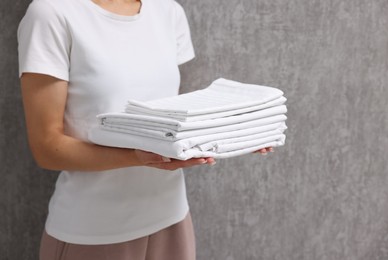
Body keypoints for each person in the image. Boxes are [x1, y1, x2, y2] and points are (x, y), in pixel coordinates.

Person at [17, 0, 273, 259]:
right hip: (94, 232)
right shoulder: (52, 13)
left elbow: (172, 118)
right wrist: (136, 157)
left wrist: (238, 133)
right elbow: (47, 147)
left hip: (173, 222)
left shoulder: (167, 10)